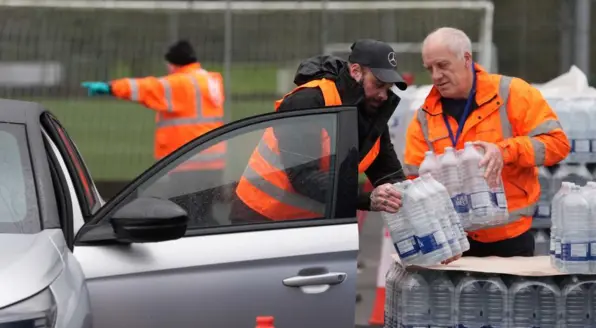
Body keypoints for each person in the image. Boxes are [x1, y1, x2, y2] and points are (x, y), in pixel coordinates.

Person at [404, 27, 570, 257]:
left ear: (466, 59)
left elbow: (557, 144)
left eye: (442, 65)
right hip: (456, 245)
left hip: (512, 240)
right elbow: (414, 181)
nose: (435, 76)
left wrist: (505, 152)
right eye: (429, 68)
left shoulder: (512, 93)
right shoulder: (424, 117)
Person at [232, 39, 409, 223]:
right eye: (379, 84)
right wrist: (366, 200)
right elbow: (304, 176)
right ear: (355, 71)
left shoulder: (371, 111)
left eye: (389, 88)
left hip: (310, 224)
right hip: (259, 216)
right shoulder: (309, 101)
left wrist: (411, 195)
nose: (383, 95)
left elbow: (388, 173)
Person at [81, 39, 227, 226]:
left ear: (173, 63)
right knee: (206, 213)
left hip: (187, 162)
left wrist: (109, 87)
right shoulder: (211, 80)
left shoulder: (179, 84)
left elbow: (144, 88)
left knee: (187, 216)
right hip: (213, 162)